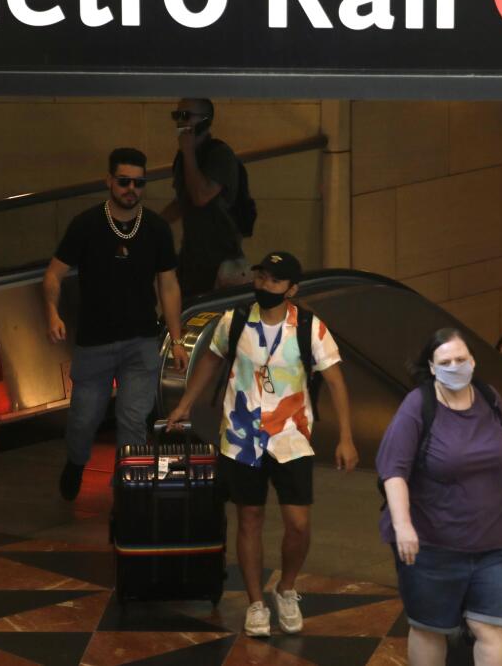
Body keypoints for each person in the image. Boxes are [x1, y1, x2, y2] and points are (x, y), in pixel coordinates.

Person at [166, 251, 358, 638]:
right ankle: (256, 603)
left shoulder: (309, 327)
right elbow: (211, 361)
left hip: (292, 437)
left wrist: (346, 438)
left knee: (298, 524)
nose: (264, 285)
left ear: (292, 288)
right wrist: (185, 403)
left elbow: (336, 380)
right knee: (249, 518)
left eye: (274, 280)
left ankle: (286, 588)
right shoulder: (234, 321)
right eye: (261, 277)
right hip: (241, 438)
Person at [45, 147, 189, 501]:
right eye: (124, 181)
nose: (131, 189)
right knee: (83, 421)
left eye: (139, 183)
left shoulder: (156, 228)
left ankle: (129, 491)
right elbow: (54, 274)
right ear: (109, 180)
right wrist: (52, 311)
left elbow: (168, 284)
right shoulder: (87, 224)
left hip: (140, 341)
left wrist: (177, 338)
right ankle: (76, 462)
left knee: (132, 420)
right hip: (94, 342)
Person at [377, 327, 502, 666]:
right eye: (446, 361)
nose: (455, 366)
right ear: (431, 366)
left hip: (494, 542)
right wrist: (403, 526)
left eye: (461, 359)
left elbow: (501, 463)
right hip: (433, 543)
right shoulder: (418, 406)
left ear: (473, 360)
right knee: (429, 629)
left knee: (493, 628)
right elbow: (393, 470)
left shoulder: (489, 397)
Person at [160, 98, 247, 297]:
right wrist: (153, 223)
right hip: (192, 255)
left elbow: (201, 196)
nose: (180, 122)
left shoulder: (220, 154)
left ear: (205, 121)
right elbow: (184, 201)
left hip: (222, 259)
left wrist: (188, 151)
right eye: (177, 116)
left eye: (186, 116)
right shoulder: (183, 158)